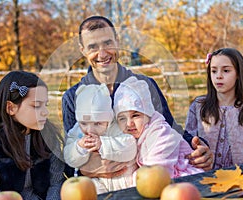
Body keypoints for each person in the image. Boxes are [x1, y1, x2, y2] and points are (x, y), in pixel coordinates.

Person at [62, 15, 213, 177]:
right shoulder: (73, 98)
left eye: (107, 43)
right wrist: (86, 169)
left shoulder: (145, 85)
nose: (102, 53)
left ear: (117, 41)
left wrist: (198, 147)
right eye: (92, 47)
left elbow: (167, 127)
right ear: (82, 50)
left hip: (151, 176)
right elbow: (72, 156)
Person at [0, 71, 65, 199]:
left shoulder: (48, 135)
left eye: (45, 105)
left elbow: (56, 183)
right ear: (11, 108)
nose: (45, 112)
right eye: (36, 106)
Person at [185, 48, 243, 170]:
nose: (218, 76)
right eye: (214, 71)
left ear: (238, 74)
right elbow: (187, 146)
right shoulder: (198, 106)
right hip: (200, 178)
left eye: (226, 70)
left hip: (239, 181)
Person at [113, 76, 204, 178]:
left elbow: (156, 175)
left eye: (135, 115)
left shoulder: (161, 134)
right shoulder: (137, 136)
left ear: (148, 114)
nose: (129, 123)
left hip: (185, 181)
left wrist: (130, 180)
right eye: (122, 118)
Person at [64, 83, 137, 194]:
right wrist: (78, 148)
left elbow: (130, 147)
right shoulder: (77, 132)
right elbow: (68, 156)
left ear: (108, 119)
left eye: (98, 123)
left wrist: (103, 144)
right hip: (98, 183)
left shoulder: (116, 127)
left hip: (125, 181)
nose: (90, 130)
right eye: (83, 123)